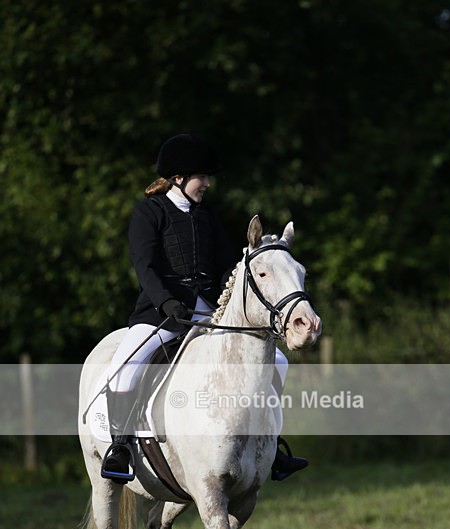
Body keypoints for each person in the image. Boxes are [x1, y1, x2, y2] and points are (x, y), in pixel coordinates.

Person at [101, 133, 308, 484]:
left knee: (280, 360)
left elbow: (228, 266)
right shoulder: (149, 212)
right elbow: (144, 266)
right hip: (160, 311)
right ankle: (120, 447)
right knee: (126, 366)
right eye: (202, 177)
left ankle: (267, 445)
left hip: (208, 312)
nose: (208, 184)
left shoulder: (206, 216)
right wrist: (166, 301)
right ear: (178, 177)